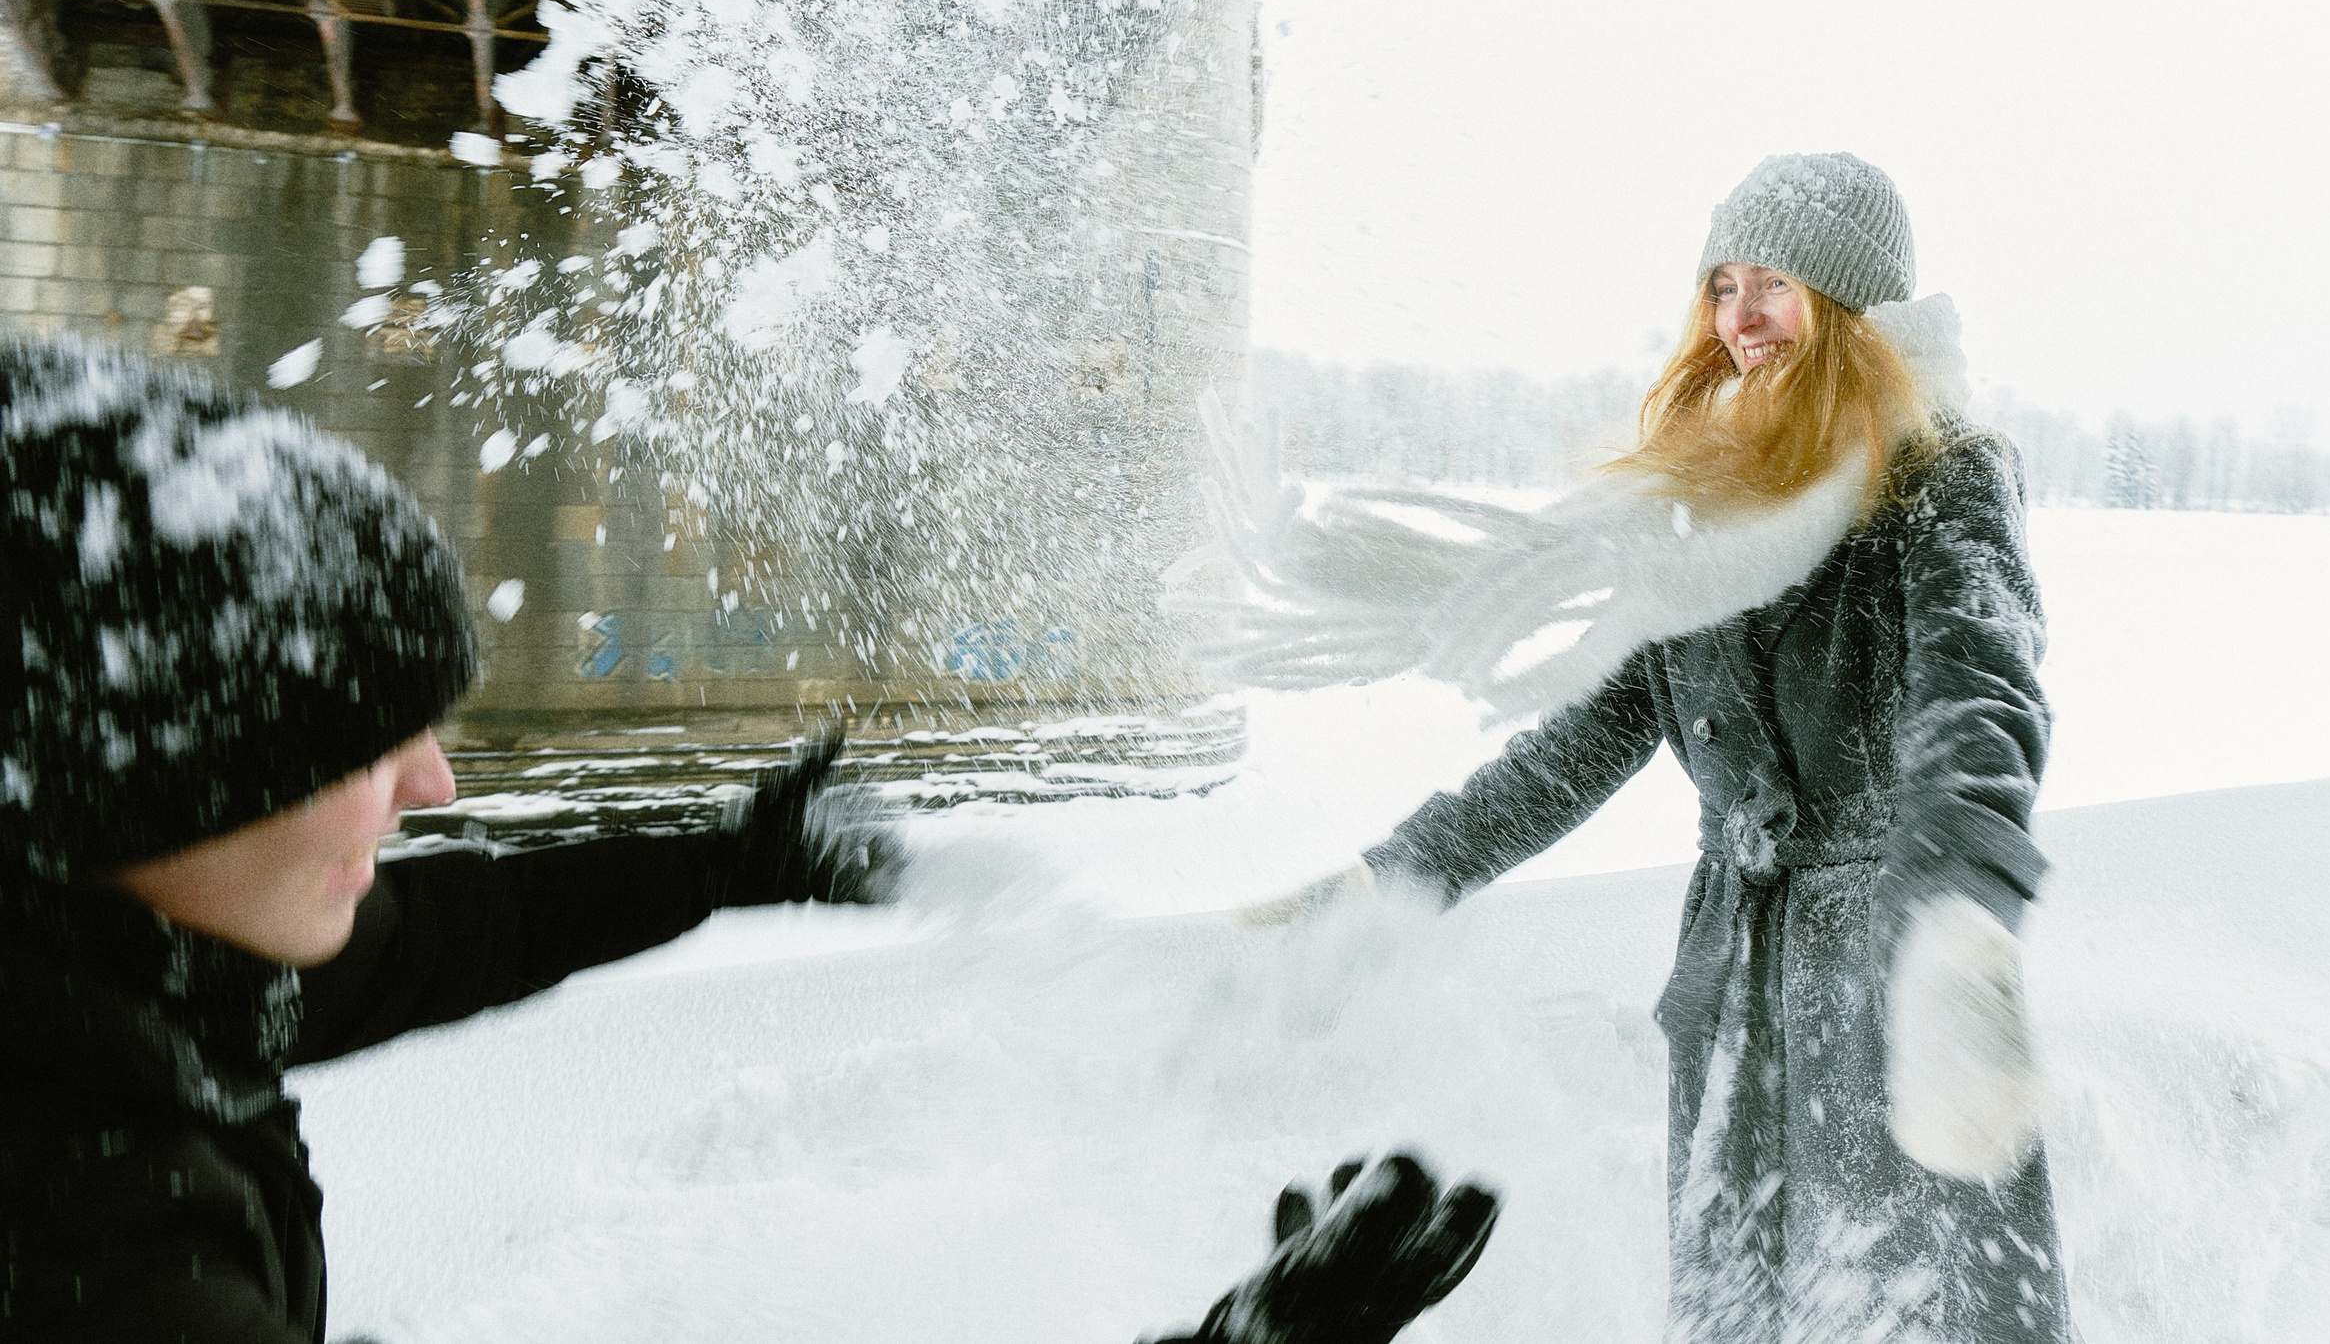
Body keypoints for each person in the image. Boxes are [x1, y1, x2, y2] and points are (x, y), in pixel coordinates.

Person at [0, 335, 1494, 1344]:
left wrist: (728, 858)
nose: (434, 783)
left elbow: (441, 937)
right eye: (362, 741)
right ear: (138, 767)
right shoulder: (93, 1236)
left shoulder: (111, 961)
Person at [1220, 154, 2069, 1343]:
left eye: (1773, 285)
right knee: (1744, 1309)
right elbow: (1592, 734)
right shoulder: (1705, 509)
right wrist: (1394, 878)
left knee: (1906, 1305)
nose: (1739, 318)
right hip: (1734, 982)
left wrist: (1958, 919)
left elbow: (1979, 693)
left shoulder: (1938, 473)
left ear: (1849, 306)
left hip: (1889, 973)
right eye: (1722, 286)